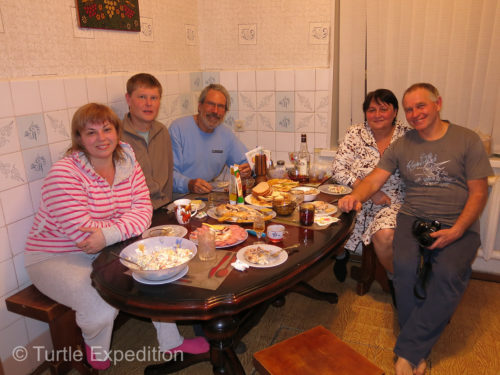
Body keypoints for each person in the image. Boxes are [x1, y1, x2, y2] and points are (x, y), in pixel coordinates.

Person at [24, 103, 208, 371]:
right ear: (79, 138)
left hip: (107, 246)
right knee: (101, 304)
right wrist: (123, 224)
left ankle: (171, 343)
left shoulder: (127, 159)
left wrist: (109, 230)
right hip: (56, 256)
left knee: (158, 272)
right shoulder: (64, 174)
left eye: (107, 129)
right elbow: (83, 236)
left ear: (117, 132)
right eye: (91, 132)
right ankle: (95, 350)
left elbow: (144, 210)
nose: (101, 138)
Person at [338, 83, 492, 375]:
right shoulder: (402, 145)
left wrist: (458, 229)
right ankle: (418, 342)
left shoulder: (466, 139)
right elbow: (373, 180)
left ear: (438, 104)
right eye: (410, 109)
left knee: (448, 275)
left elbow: (479, 193)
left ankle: (408, 352)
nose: (415, 113)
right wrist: (354, 196)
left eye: (421, 106)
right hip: (413, 217)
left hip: (458, 222)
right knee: (404, 270)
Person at [332, 89, 412, 284]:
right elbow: (338, 169)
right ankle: (341, 256)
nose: (377, 115)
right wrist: (371, 192)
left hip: (393, 202)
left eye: (383, 109)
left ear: (395, 112)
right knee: (328, 226)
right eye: (371, 110)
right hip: (356, 195)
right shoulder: (355, 133)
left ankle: (395, 281)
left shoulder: (408, 136)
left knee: (385, 235)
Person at [169, 83, 251, 194]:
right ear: (199, 106)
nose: (215, 111)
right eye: (211, 104)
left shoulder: (226, 135)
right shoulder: (178, 129)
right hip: (179, 199)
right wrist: (189, 184)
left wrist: (248, 169)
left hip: (207, 196)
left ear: (225, 112)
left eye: (220, 106)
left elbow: (245, 161)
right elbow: (168, 174)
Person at [122, 73, 174, 209]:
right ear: (128, 99)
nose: (149, 104)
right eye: (142, 97)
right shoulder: (117, 138)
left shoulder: (162, 131)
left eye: (154, 98)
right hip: (134, 214)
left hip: (163, 208)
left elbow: (168, 174)